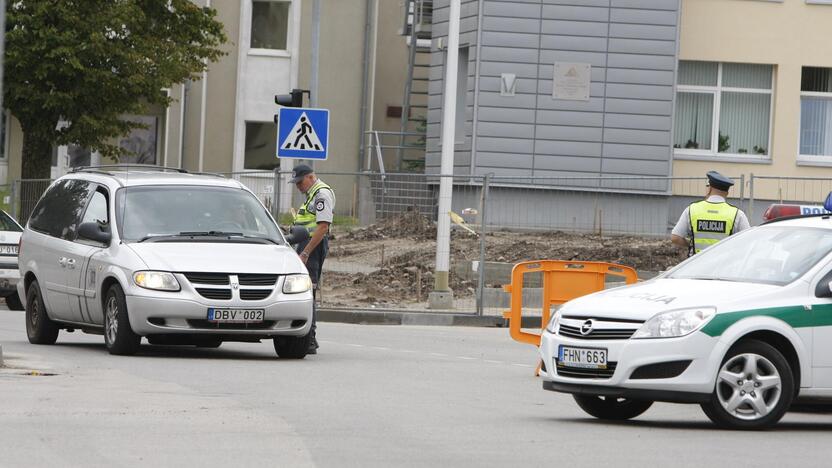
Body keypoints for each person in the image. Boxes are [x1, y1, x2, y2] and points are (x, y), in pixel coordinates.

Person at [289, 164, 336, 354]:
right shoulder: (312, 194)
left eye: (300, 182)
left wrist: (306, 252)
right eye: (296, 183)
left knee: (308, 292)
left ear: (310, 177)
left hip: (313, 247)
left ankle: (309, 339)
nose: (298, 186)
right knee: (305, 291)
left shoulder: (321, 194)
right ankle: (308, 338)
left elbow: (322, 227)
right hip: (307, 244)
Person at [671, 171, 750, 256]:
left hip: (696, 264)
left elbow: (675, 237)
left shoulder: (691, 209)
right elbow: (748, 241)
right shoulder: (737, 214)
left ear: (710, 189)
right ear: (727, 193)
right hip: (723, 265)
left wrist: (691, 244)